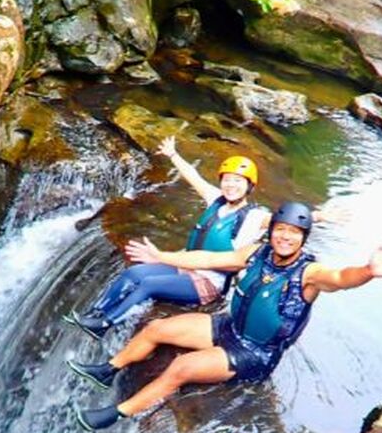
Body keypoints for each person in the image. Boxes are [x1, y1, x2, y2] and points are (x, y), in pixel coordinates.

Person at [67, 201, 382, 431]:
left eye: (293, 232)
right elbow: (208, 260)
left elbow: (340, 278)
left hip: (253, 353)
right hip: (229, 327)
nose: (285, 236)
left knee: (181, 368)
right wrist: (163, 256)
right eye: (280, 229)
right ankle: (108, 370)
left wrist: (368, 271)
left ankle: (117, 413)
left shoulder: (310, 273)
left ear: (303, 238)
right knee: (157, 328)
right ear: (272, 231)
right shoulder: (257, 252)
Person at [64, 136, 336, 339]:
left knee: (147, 285)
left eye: (238, 181)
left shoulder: (255, 217)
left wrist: (321, 216)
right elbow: (192, 176)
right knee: (133, 274)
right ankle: (96, 314)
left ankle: (105, 325)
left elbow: (286, 220)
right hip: (187, 266)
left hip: (208, 283)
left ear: (249, 187)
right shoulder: (215, 200)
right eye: (227, 179)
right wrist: (173, 155)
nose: (231, 185)